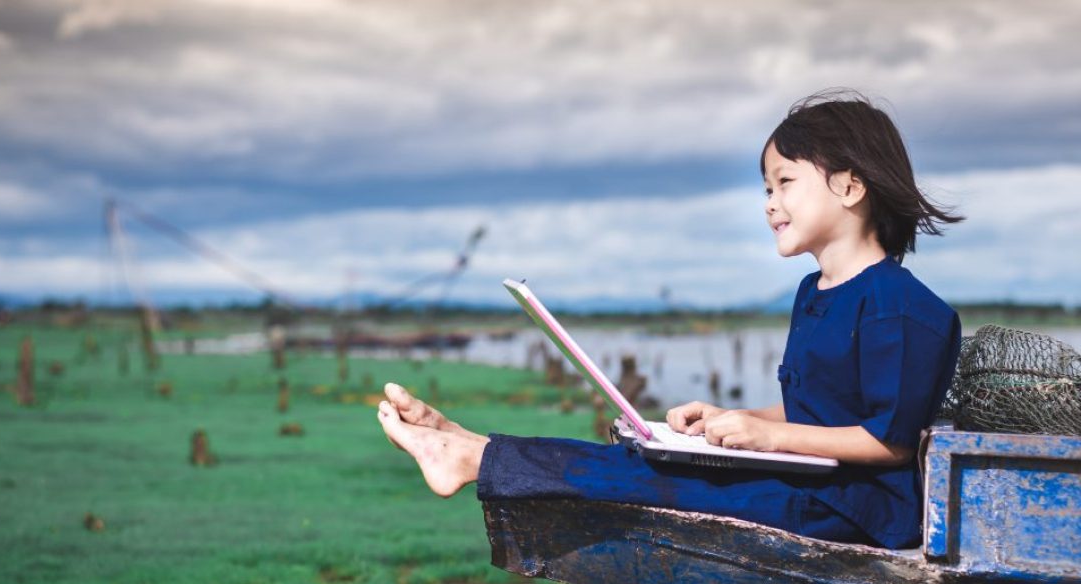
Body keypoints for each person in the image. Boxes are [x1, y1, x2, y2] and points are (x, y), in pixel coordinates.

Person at [376, 90, 963, 550]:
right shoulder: (816, 292)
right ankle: (471, 446)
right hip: (811, 484)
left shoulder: (900, 307)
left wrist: (769, 437)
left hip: (856, 509)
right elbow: (820, 411)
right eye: (765, 186)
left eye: (785, 181)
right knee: (644, 458)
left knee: (658, 483)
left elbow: (887, 441)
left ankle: (475, 458)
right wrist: (731, 421)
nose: (768, 202)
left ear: (851, 185)